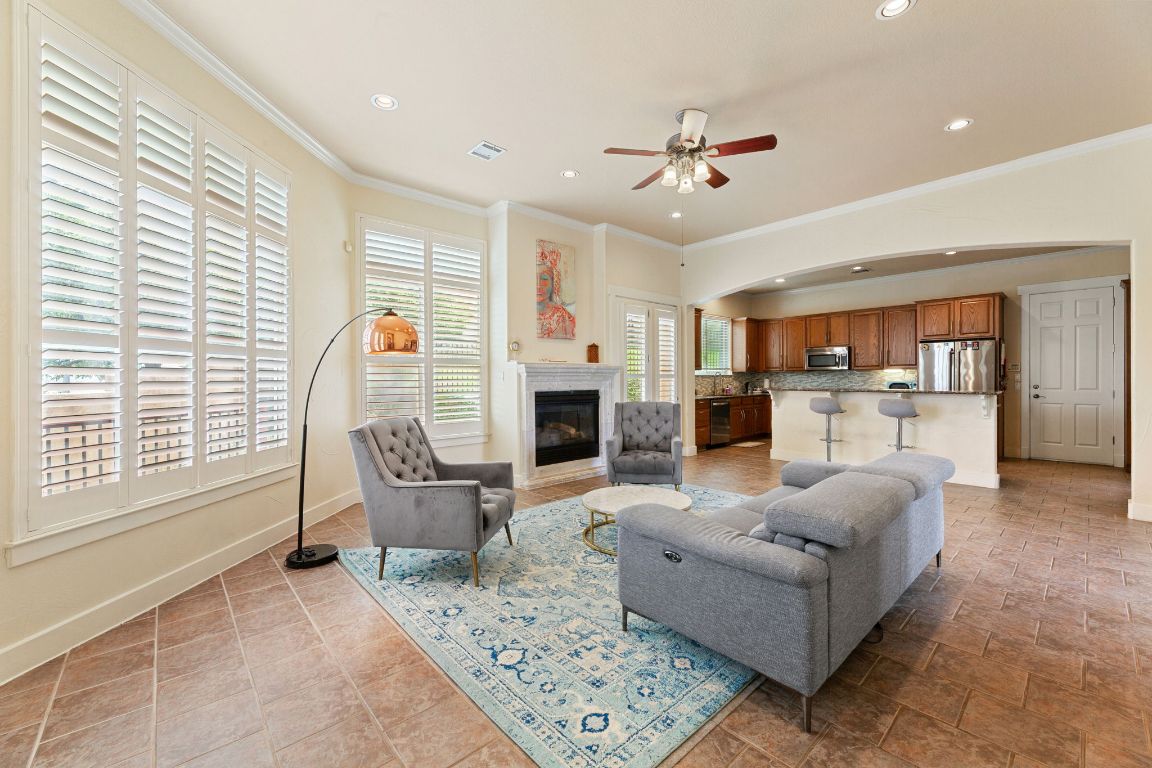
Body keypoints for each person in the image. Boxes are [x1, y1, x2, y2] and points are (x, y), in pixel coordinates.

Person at [536, 258, 575, 339]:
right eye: (533, 278)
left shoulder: (563, 317)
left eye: (544, 279)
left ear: (553, 283)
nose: (538, 285)